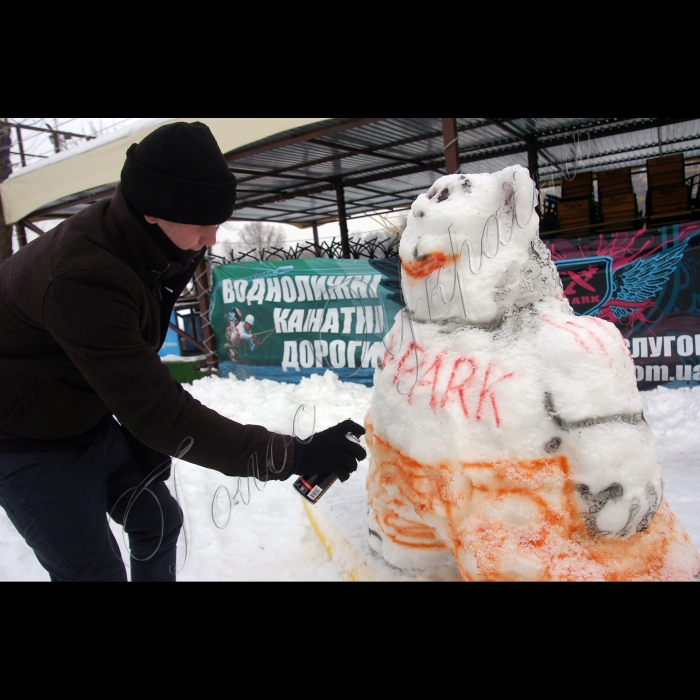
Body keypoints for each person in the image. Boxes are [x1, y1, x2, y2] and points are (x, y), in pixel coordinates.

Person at [0, 121, 366, 582]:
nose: (213, 239)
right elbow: (161, 413)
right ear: (152, 210)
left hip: (84, 410)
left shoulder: (159, 241)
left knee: (158, 522)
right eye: (204, 222)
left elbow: (130, 358)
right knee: (91, 571)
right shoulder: (80, 276)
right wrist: (294, 455)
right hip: (23, 434)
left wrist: (134, 420)